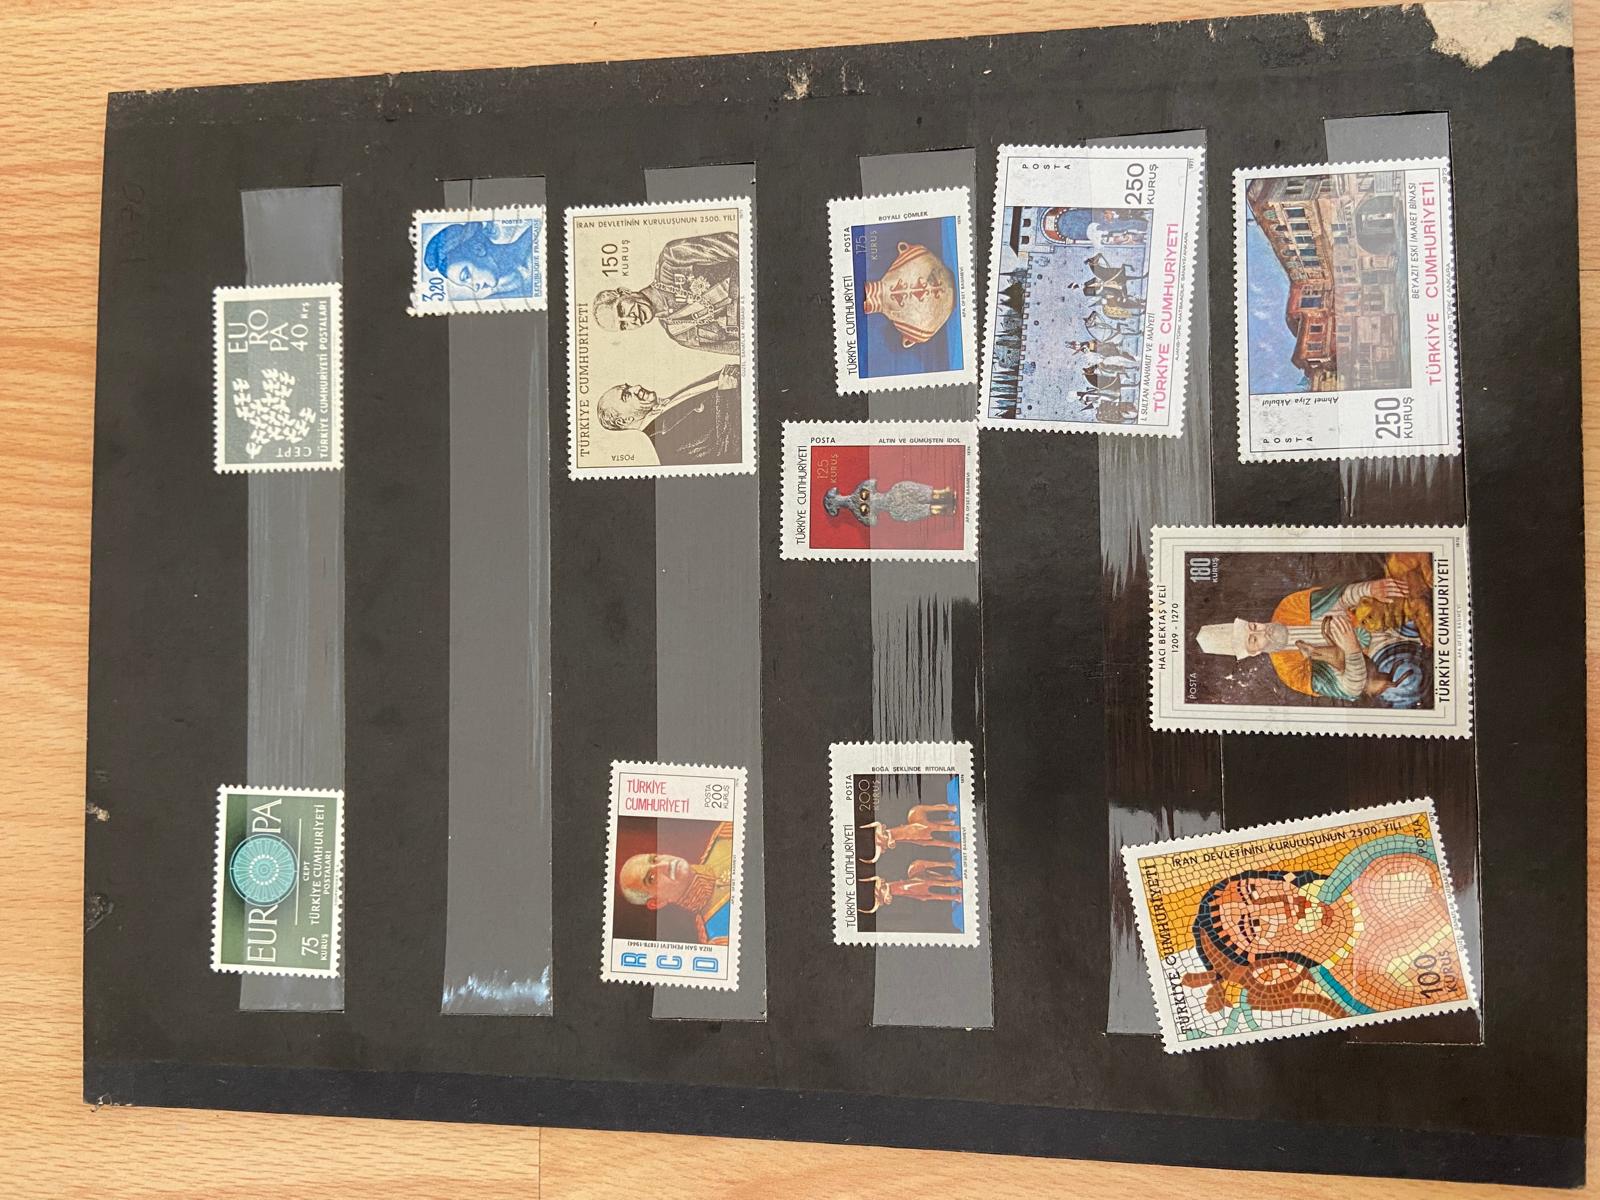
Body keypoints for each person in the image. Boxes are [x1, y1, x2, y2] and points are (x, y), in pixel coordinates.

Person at [1181, 835, 1468, 1023]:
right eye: (1254, 926)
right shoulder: (1361, 992)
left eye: (1254, 890)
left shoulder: (1368, 864)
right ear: (1272, 967)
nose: (1278, 905)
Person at [1194, 554, 1433, 707]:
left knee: (1405, 576)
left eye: (1254, 627)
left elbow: (1342, 597)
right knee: (1406, 689)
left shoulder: (1288, 607)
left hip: (1377, 614)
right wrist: (1351, 649)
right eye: (1254, 640)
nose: (1263, 632)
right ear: (1255, 653)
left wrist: (1369, 589)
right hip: (1381, 657)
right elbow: (1351, 687)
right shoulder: (1290, 671)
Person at [592, 231, 741, 355]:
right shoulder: (679, 334)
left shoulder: (671, 260)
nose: (631, 318)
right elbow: (739, 349)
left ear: (624, 292)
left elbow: (739, 246)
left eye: (621, 310)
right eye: (624, 325)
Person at [595, 363, 741, 466]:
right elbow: (726, 457)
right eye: (626, 395)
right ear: (624, 421)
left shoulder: (667, 406)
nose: (636, 387)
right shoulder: (665, 445)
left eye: (629, 387)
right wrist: (727, 395)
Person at [617, 821, 735, 944]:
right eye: (651, 878)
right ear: (657, 902)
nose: (666, 864)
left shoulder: (725, 834)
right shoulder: (717, 938)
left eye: (655, 859)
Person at [423, 220, 535, 299]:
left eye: (466, 276)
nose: (475, 289)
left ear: (478, 249)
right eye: (466, 284)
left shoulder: (535, 236)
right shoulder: (496, 300)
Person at [823, 478, 956, 527]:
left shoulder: (860, 496)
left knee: (907, 489)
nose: (841, 500)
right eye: (836, 500)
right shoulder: (861, 492)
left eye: (837, 499)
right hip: (892, 505)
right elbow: (872, 521)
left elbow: (872, 521)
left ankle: (942, 496)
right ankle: (942, 506)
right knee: (909, 506)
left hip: (892, 501)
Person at [857, 803, 960, 864]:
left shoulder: (884, 832)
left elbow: (886, 833)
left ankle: (951, 814)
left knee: (935, 826)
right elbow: (889, 845)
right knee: (930, 841)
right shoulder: (883, 843)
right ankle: (955, 843)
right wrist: (890, 842)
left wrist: (888, 838)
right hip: (912, 837)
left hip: (912, 830)